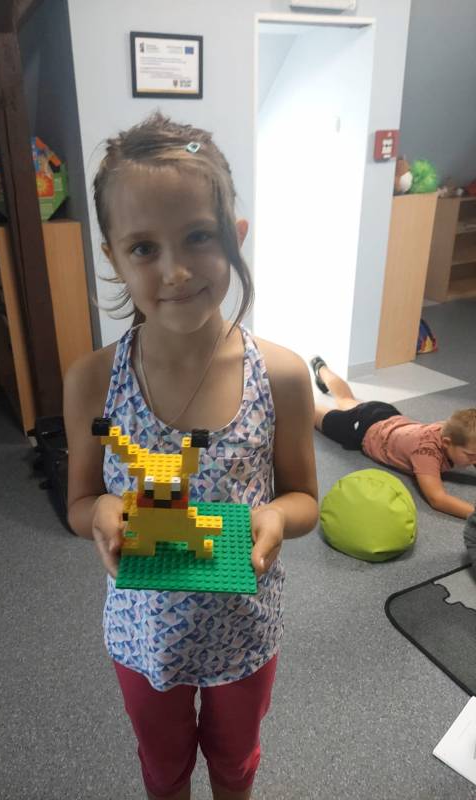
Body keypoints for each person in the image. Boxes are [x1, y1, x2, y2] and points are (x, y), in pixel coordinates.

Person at [63, 113, 318, 800]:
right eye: (144, 247)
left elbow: (305, 499)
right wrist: (102, 510)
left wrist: (276, 518)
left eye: (199, 237)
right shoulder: (92, 381)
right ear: (114, 258)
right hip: (143, 634)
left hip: (244, 629)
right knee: (162, 766)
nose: (174, 271)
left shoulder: (280, 375)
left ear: (235, 237)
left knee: (236, 763)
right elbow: (79, 503)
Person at [310, 355, 476, 519]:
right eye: (470, 455)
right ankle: (296, 393)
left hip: (384, 414)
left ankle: (321, 368)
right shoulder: (426, 453)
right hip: (361, 428)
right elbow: (437, 499)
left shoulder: (453, 428)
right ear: (446, 443)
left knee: (346, 399)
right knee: (311, 413)